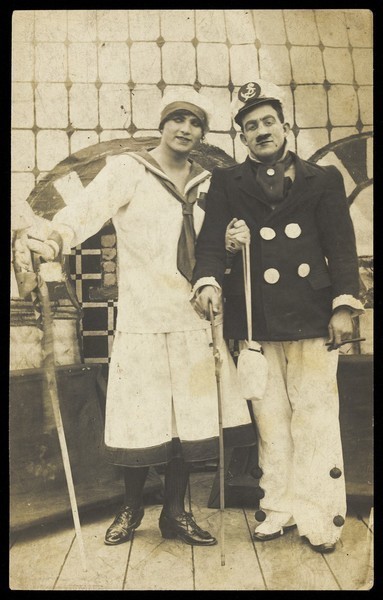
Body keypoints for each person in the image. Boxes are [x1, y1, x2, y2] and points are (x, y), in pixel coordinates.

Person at [26, 88, 256, 547]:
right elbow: (84, 213)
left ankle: (176, 512)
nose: (185, 129)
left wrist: (233, 243)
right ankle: (131, 509)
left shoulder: (210, 183)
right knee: (140, 418)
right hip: (144, 318)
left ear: (203, 132)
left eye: (195, 123)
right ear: (163, 123)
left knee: (186, 422)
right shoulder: (129, 170)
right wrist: (55, 240)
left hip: (194, 319)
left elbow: (214, 241)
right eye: (178, 119)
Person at [191, 79, 364, 554]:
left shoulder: (322, 179)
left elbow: (341, 249)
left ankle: (321, 518)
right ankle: (279, 508)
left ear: (285, 126)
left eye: (268, 122)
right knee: (271, 420)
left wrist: (345, 304)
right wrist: (208, 280)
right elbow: (208, 246)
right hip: (255, 319)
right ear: (241, 138)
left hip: (312, 314)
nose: (261, 131)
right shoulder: (226, 183)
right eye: (251, 127)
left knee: (315, 415)